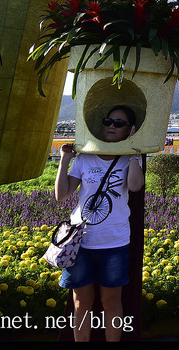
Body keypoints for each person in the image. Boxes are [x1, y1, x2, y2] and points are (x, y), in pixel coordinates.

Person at [55, 105, 144, 342]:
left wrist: (134, 150)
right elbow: (62, 194)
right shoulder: (85, 158)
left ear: (129, 130)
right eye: (108, 121)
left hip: (114, 242)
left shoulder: (129, 160)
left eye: (119, 123)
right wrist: (64, 160)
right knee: (81, 303)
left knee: (111, 302)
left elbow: (135, 186)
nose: (111, 126)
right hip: (80, 243)